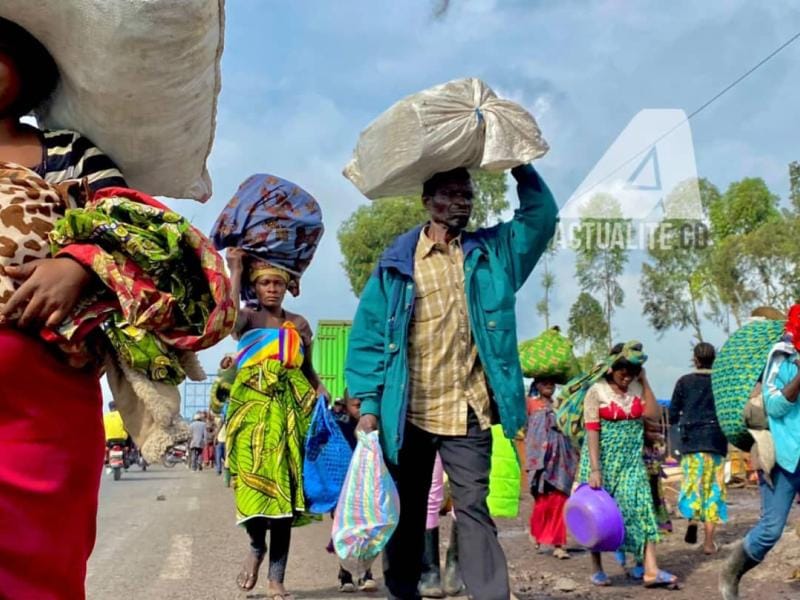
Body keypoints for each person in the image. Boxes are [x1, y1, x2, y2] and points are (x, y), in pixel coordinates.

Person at [0, 17, 234, 599]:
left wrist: (76, 265)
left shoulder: (65, 152)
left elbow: (140, 230)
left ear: (21, 70)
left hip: (43, 397)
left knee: (40, 562)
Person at [346, 163, 558, 600]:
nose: (463, 201)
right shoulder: (396, 264)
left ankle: (491, 595)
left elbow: (541, 218)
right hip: (410, 415)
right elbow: (367, 338)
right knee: (406, 515)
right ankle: (403, 592)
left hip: (469, 412)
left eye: (468, 194)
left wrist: (517, 163)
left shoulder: (492, 255)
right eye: (451, 194)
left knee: (473, 511)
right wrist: (368, 405)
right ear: (428, 202)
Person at [226, 248, 324, 598]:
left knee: (285, 499)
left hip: (288, 419)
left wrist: (325, 396)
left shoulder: (297, 324)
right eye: (265, 283)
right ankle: (255, 546)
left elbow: (308, 371)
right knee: (252, 495)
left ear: (287, 287)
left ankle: (276, 579)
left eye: (278, 283)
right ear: (256, 285)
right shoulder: (246, 320)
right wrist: (235, 268)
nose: (272, 289)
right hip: (251, 417)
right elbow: (224, 314)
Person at [579, 342, 679, 590]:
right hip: (601, 462)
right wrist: (595, 469)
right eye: (623, 370)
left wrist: (644, 382)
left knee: (643, 509)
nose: (627, 375)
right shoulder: (597, 391)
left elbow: (654, 414)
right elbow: (592, 432)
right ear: (612, 368)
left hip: (632, 463)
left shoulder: (636, 388)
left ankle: (650, 570)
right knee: (598, 516)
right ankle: (597, 568)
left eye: (633, 371)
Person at [720, 306, 800, 599]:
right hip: (785, 455)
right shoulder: (781, 358)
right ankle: (731, 572)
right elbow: (775, 406)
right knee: (770, 530)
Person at [669, 342, 727, 555]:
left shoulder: (684, 382)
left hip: (692, 442)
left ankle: (692, 519)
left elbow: (673, 413)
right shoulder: (721, 382)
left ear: (695, 359)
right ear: (715, 358)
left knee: (693, 486)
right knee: (713, 490)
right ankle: (709, 543)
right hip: (716, 441)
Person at [525, 377, 578, 560]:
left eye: (551, 383)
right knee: (542, 500)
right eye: (544, 382)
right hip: (539, 459)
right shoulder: (530, 404)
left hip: (561, 460)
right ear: (536, 385)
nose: (549, 386)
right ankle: (537, 532)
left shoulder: (561, 405)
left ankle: (559, 544)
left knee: (559, 500)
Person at [332, 391, 379, 593]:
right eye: (356, 405)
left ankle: (366, 573)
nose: (360, 410)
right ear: (346, 405)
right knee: (345, 532)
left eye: (363, 405)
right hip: (344, 490)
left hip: (365, 488)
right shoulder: (340, 426)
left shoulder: (372, 426)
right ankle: (346, 574)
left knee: (366, 530)